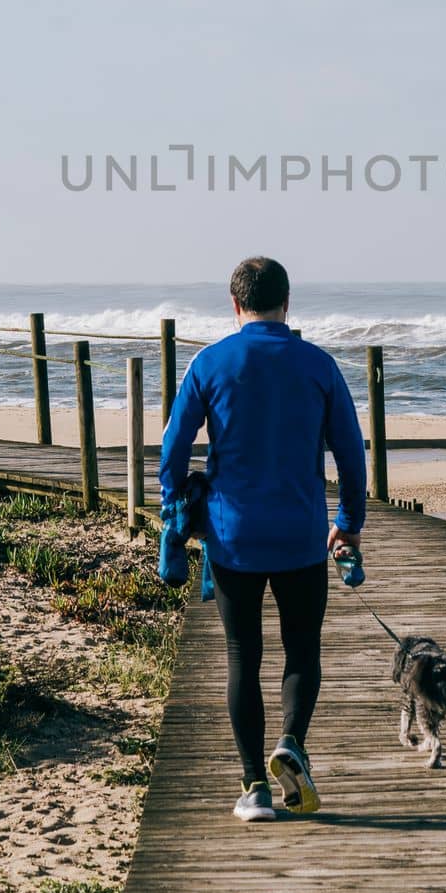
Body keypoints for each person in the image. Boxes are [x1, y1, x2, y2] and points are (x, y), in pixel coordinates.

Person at [159, 256, 367, 821]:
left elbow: (173, 449)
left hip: (233, 537)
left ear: (234, 305)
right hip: (301, 534)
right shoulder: (318, 365)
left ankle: (254, 787)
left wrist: (176, 507)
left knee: (241, 656)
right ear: (287, 302)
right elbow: (351, 453)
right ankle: (292, 743)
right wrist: (347, 523)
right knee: (301, 651)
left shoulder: (210, 363)